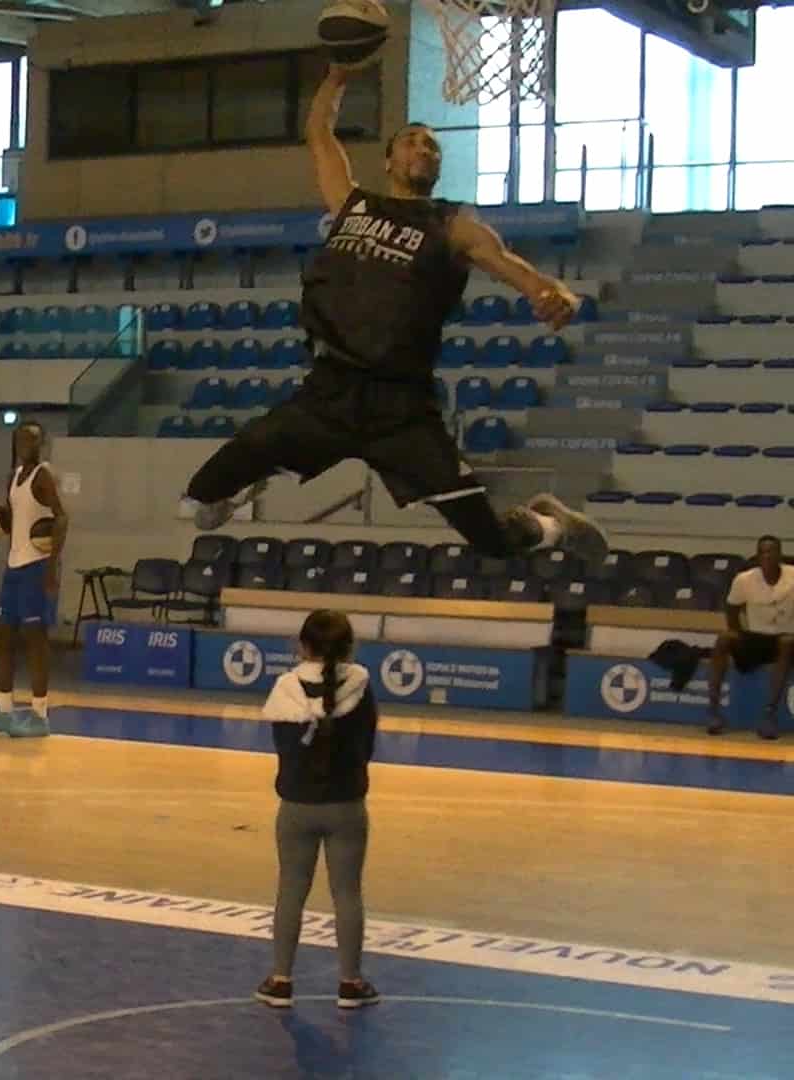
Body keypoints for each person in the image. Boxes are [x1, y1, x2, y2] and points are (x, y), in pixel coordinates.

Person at [183, 64, 608, 567]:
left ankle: (551, 524)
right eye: (412, 141)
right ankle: (247, 482)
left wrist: (552, 291)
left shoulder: (451, 224)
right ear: (388, 159)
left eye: (432, 147)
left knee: (492, 542)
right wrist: (336, 77)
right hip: (328, 395)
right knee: (195, 500)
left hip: (402, 409)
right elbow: (319, 133)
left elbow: (507, 262)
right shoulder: (351, 204)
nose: (423, 149)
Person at [254, 609, 381, 1011]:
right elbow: (367, 746)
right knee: (347, 893)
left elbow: (283, 748)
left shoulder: (285, 689)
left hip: (296, 806)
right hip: (346, 806)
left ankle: (280, 981)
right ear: (348, 647)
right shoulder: (361, 686)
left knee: (290, 890)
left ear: (302, 645)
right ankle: (350, 983)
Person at [0, 421, 66, 738]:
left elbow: (61, 517)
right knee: (3, 636)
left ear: (41, 444)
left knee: (35, 640)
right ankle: (4, 711)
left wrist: (52, 567)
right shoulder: (13, 477)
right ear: (15, 443)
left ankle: (40, 715)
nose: (27, 444)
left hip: (36, 567)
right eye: (22, 439)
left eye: (33, 440)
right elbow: (15, 522)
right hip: (13, 567)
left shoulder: (44, 476)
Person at [706, 535, 794, 738]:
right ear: (757, 556)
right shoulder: (744, 579)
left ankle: (769, 715)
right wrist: (739, 635)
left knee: (787, 641)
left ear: (780, 555)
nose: (767, 556)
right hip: (755, 638)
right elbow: (732, 611)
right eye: (762, 552)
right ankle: (713, 711)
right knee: (724, 638)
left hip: (786, 640)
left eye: (771, 551)